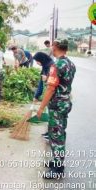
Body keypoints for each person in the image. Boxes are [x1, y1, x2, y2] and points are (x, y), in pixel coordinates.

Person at [37, 39, 76, 179]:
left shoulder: (57, 65)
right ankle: (57, 161)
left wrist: (41, 108)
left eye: (53, 45)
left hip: (57, 105)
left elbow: (50, 88)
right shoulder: (70, 64)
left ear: (56, 47)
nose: (52, 47)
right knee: (60, 132)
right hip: (65, 103)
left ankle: (58, 169)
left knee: (56, 136)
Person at [32, 52, 54, 141]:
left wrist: (47, 79)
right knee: (49, 113)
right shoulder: (45, 66)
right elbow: (41, 82)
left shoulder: (51, 66)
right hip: (47, 92)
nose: (37, 63)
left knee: (52, 115)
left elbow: (53, 83)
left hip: (53, 94)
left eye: (37, 61)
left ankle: (52, 135)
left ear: (42, 59)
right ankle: (49, 132)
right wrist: (36, 96)